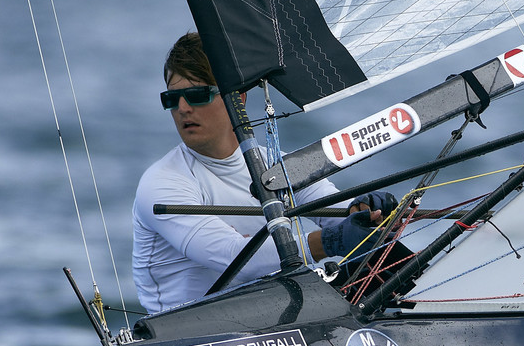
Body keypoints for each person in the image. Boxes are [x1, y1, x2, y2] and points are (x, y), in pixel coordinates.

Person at [131, 33, 395, 315]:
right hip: (181, 342)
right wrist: (329, 242)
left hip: (264, 326)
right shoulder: (161, 184)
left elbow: (339, 212)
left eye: (197, 95)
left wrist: (368, 212)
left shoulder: (274, 165)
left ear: (238, 98)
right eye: (172, 99)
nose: (183, 108)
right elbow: (236, 259)